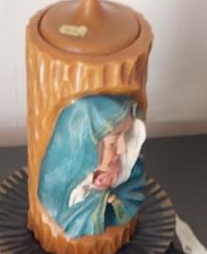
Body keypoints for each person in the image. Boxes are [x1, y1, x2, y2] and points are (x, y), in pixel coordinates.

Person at [38, 94, 147, 239]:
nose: (122, 149)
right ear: (87, 147)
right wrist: (98, 199)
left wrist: (114, 201)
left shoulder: (129, 171)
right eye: (112, 143)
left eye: (126, 136)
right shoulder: (55, 192)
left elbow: (131, 194)